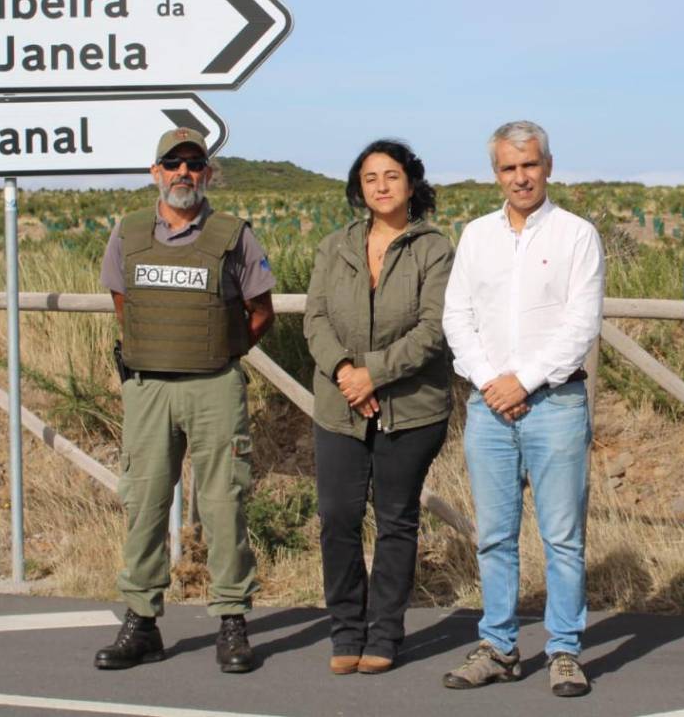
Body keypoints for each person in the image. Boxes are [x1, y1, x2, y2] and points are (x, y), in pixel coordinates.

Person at [93, 127, 274, 674]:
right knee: (144, 504)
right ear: (155, 173)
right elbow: (125, 303)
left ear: (208, 174)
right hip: (148, 387)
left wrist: (218, 350)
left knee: (224, 503)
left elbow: (260, 311)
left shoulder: (232, 234)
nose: (184, 173)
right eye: (173, 164)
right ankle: (141, 622)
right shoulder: (126, 233)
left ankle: (232, 622)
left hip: (214, 385)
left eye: (194, 164)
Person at [440, 120, 604, 698]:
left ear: (548, 167)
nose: (520, 177)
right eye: (508, 168)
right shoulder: (477, 235)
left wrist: (524, 381)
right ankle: (500, 646)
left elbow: (580, 323)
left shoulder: (577, 235)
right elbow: (457, 316)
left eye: (529, 165)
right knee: (494, 536)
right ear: (496, 174)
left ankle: (563, 648)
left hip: (555, 404)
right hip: (489, 409)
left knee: (562, 536)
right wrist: (490, 381)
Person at [304, 140, 455, 676]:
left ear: (411, 184)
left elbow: (433, 329)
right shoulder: (334, 247)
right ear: (359, 188)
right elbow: (315, 319)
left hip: (411, 409)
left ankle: (386, 632)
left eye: (392, 175)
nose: (382, 186)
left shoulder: (434, 249)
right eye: (371, 178)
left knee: (396, 520)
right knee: (338, 517)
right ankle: (346, 628)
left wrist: (376, 373)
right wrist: (348, 373)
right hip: (340, 406)